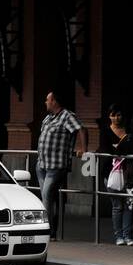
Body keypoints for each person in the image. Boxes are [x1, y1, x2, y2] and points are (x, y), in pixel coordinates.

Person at [36, 90, 84, 240]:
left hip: (56, 165)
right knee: (50, 198)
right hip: (42, 164)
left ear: (54, 101)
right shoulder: (48, 118)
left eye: (47, 100)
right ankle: (52, 232)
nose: (45, 102)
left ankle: (47, 232)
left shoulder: (67, 116)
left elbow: (81, 129)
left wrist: (83, 148)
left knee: (46, 195)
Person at [102, 105, 133, 246]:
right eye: (113, 115)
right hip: (111, 173)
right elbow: (104, 149)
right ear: (109, 116)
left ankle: (128, 236)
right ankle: (118, 236)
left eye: (119, 115)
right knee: (117, 206)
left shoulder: (129, 132)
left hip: (128, 174)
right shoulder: (105, 132)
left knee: (129, 205)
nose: (116, 118)